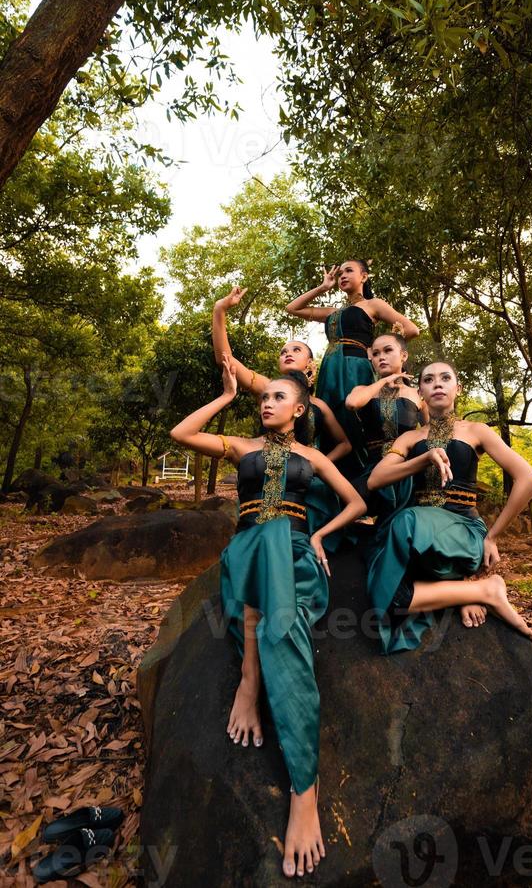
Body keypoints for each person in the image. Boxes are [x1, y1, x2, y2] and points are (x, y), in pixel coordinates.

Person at [170, 358, 366, 878]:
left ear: (300, 409)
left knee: (281, 546)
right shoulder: (243, 447)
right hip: (248, 552)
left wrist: (321, 537)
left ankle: (253, 682)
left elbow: (355, 501)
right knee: (264, 548)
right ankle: (305, 785)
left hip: (299, 559)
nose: (268, 402)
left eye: (279, 397)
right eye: (264, 397)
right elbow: (181, 432)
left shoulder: (310, 455)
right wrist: (227, 394)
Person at [366, 360, 532, 654]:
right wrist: (422, 459)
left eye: (445, 378)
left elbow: (529, 479)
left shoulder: (476, 431)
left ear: (457, 389)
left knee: (405, 521)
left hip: (463, 533)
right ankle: (478, 590)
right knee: (391, 596)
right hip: (420, 540)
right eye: (428, 379)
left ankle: (467, 582)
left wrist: (493, 536)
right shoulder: (410, 438)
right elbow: (375, 480)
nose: (437, 383)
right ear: (420, 392)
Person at [213, 287, 351, 547]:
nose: (287, 352)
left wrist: (316, 466)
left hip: (308, 486)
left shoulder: (319, 404)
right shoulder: (267, 388)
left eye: (296, 350)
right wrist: (220, 310)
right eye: (283, 351)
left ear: (311, 364)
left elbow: (345, 443)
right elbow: (226, 361)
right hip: (267, 480)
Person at [285, 260, 419, 476]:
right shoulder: (332, 312)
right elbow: (292, 308)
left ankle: (360, 476)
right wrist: (323, 287)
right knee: (331, 420)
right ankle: (330, 475)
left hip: (356, 368)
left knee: (354, 418)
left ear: (364, 277)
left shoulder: (373, 304)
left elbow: (412, 329)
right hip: (330, 369)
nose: (343, 276)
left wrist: (378, 352)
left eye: (349, 271)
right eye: (340, 274)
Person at [344, 332, 428, 520]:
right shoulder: (362, 390)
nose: (381, 357)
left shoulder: (417, 394)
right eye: (375, 354)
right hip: (372, 469)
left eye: (388, 350)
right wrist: (383, 381)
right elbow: (352, 404)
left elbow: (429, 432)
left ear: (403, 355)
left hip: (407, 470)